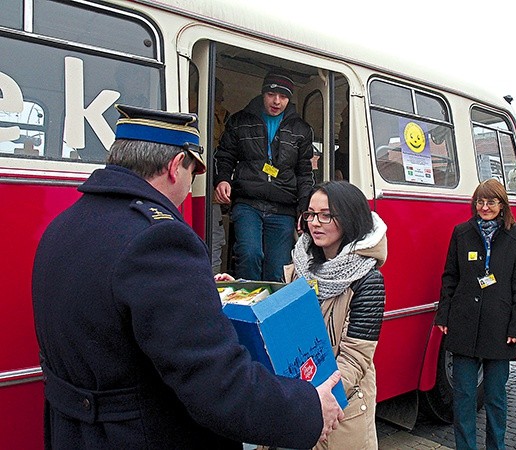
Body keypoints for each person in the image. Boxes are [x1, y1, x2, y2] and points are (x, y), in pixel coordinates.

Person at [31, 104, 343, 449]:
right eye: (194, 175)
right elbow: (217, 384)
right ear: (175, 167)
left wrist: (200, 289)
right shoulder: (159, 238)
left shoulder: (62, 226)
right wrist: (307, 407)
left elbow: (113, 308)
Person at [215, 181, 386, 450]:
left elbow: (356, 358)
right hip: (302, 402)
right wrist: (236, 289)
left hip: (340, 408)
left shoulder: (368, 280)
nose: (315, 223)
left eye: (326, 215)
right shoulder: (301, 263)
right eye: (310, 214)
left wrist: (316, 400)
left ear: (350, 217)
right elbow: (279, 310)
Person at [434, 178, 516, 450]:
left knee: (495, 397)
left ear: (502, 205)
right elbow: (450, 277)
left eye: (491, 201)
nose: (485, 207)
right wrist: (443, 316)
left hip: (500, 329)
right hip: (463, 324)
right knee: (464, 396)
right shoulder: (462, 232)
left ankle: (496, 446)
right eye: (480, 201)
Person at [213, 69, 314, 281]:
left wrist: (304, 209)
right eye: (271, 94)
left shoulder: (301, 129)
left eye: (283, 96)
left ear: (289, 99)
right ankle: (244, 308)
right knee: (249, 256)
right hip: (247, 203)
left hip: (283, 207)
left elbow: (305, 173)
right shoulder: (240, 120)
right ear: (262, 93)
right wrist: (222, 178)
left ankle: (269, 312)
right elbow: (225, 155)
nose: (276, 101)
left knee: (278, 269)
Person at [211, 78, 230, 274]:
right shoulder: (215, 113)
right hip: (209, 190)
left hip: (209, 186)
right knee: (215, 239)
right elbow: (218, 153)